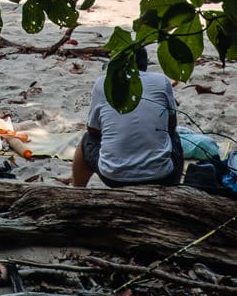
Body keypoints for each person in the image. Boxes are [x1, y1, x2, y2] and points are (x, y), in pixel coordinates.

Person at [71, 45, 184, 189]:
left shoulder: (103, 83)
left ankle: (78, 189)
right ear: (145, 63)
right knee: (175, 137)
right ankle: (174, 188)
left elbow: (93, 130)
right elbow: (171, 126)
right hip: (161, 176)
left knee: (87, 140)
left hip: (113, 177)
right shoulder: (162, 81)